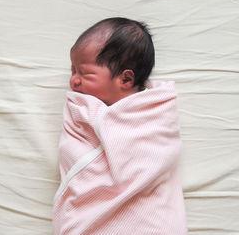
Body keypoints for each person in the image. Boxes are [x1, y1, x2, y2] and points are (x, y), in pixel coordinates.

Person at [53, 17, 187, 234]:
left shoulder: (155, 111)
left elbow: (154, 159)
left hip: (150, 218)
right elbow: (73, 153)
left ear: (125, 80)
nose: (74, 81)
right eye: (72, 71)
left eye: (84, 73)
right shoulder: (81, 111)